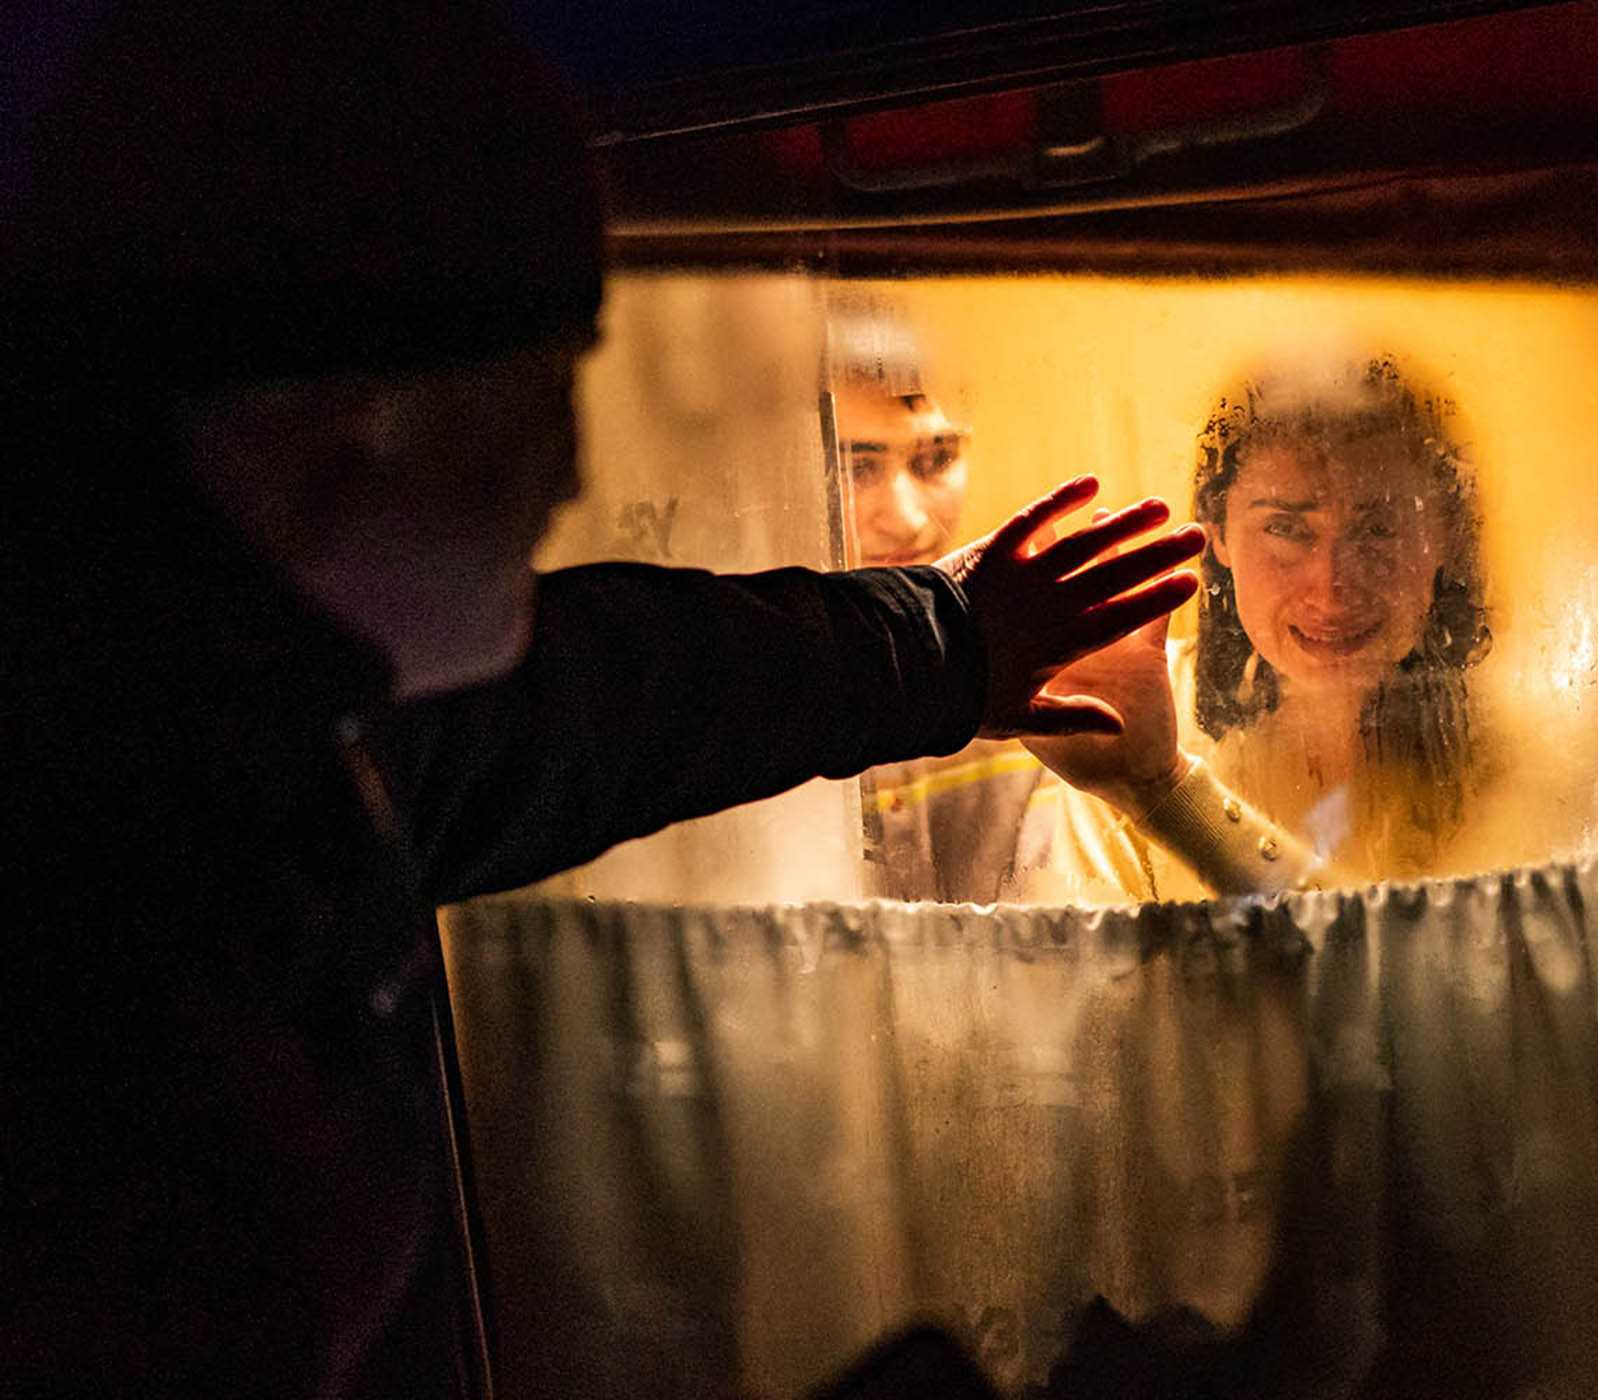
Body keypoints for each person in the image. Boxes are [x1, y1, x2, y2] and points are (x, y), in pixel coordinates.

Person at [0, 3, 1202, 1395]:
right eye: (543, 386)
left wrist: (949, 642)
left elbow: (602, 702)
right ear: (350, 426)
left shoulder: (234, 741)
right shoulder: (107, 937)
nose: (571, 473)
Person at [1020, 351, 1491, 901]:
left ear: (1445, 534)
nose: (1330, 586)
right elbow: (1090, 952)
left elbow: (1432, 952)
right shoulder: (1133, 703)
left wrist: (1161, 790)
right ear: (1218, 534)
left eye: (1379, 528)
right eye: (1285, 528)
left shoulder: (1511, 739)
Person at [828, 297, 1058, 902]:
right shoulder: (743, 687)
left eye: (935, 459)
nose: (907, 520)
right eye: (856, 469)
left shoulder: (1028, 682)